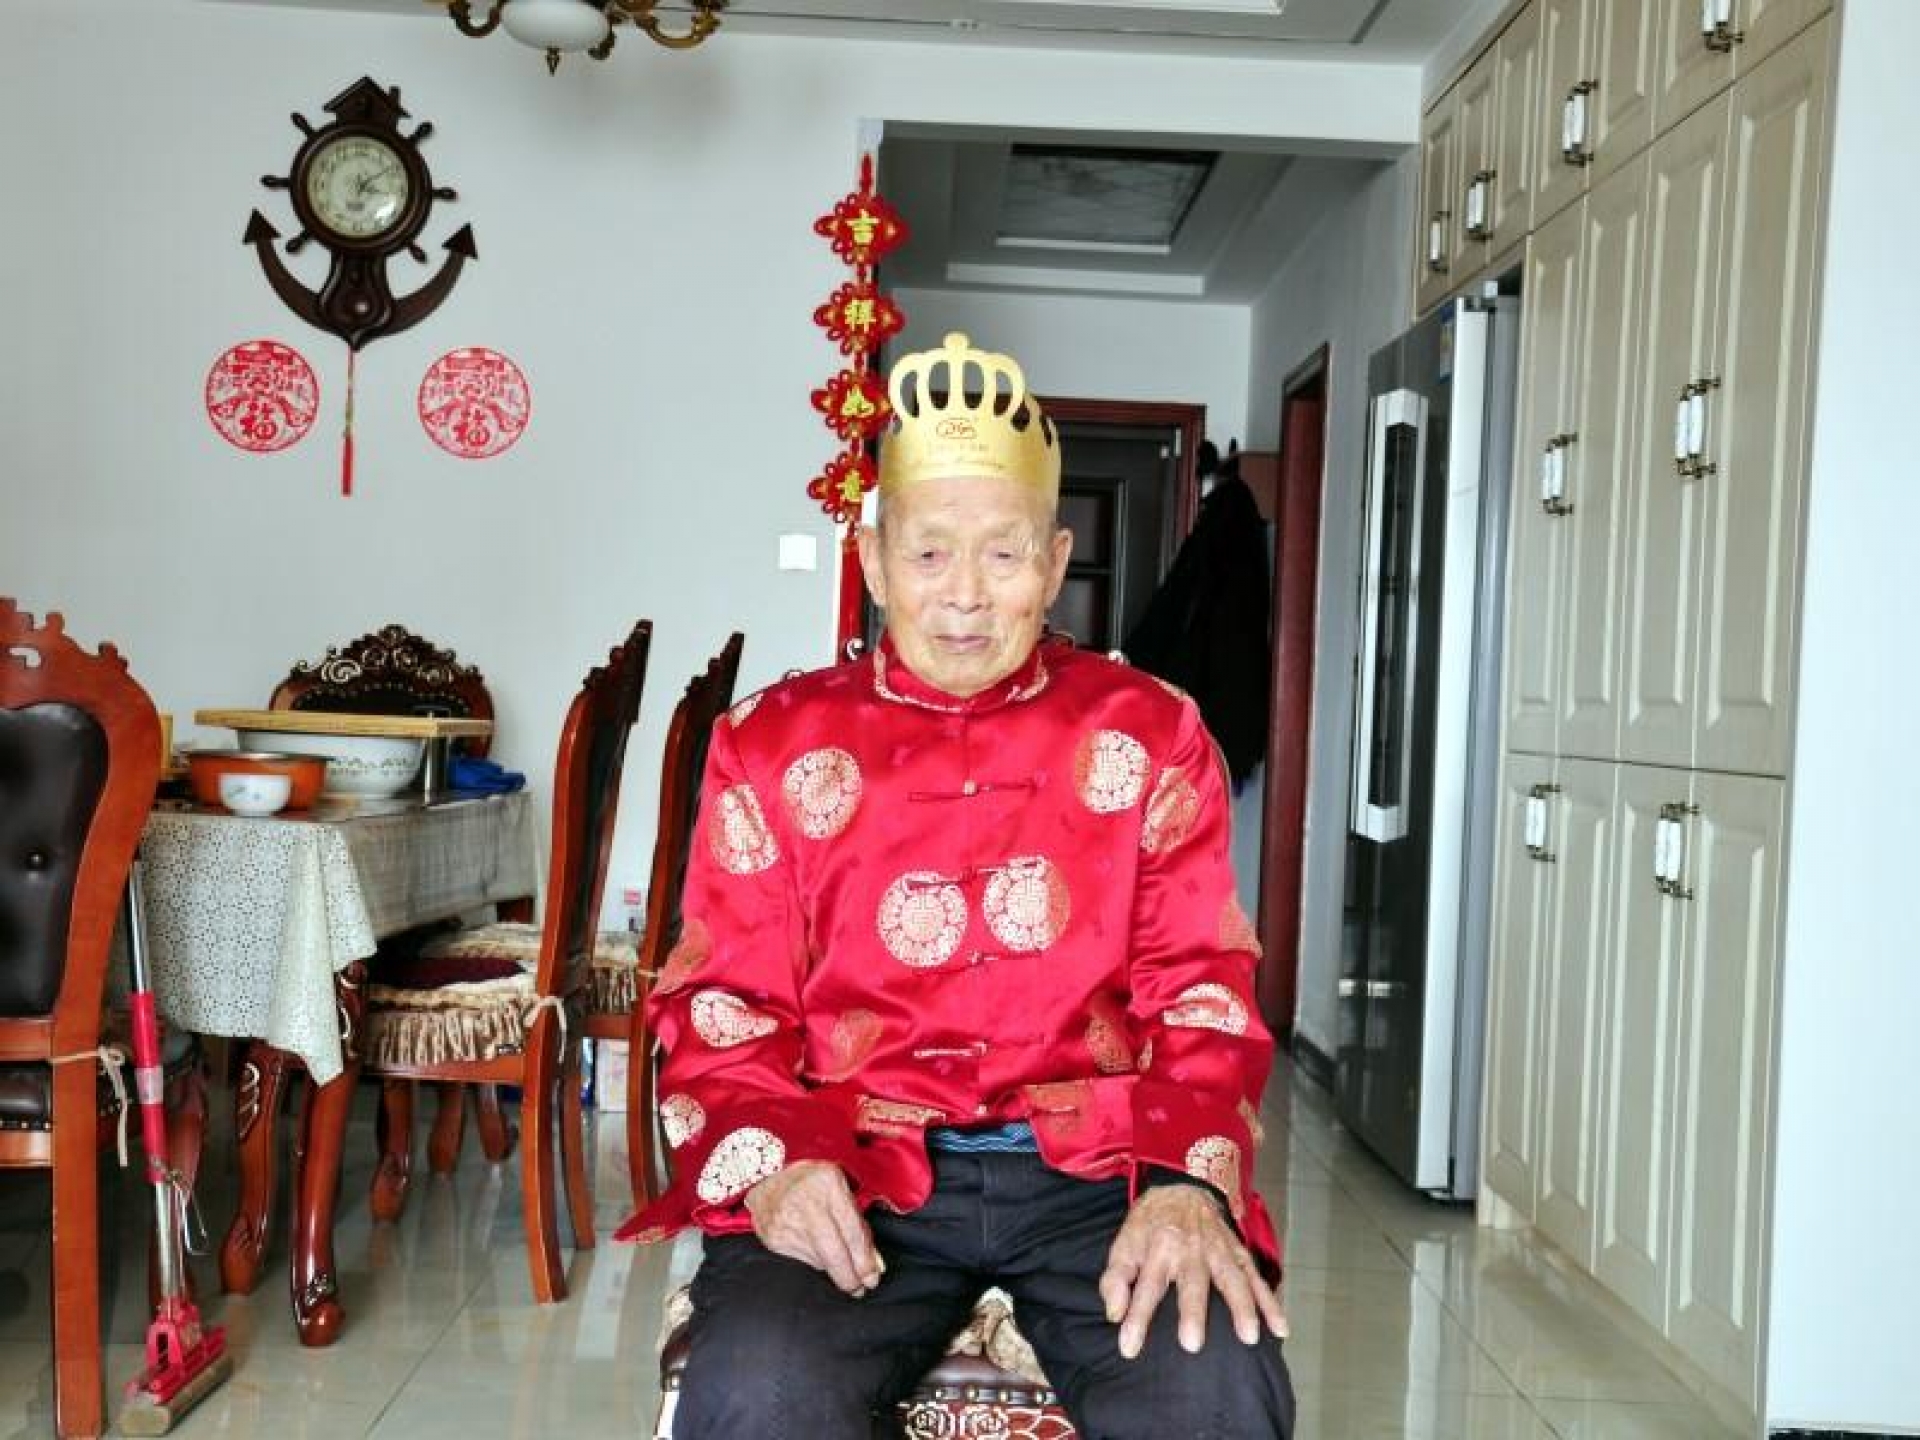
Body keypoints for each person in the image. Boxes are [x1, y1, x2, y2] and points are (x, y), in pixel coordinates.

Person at [616, 332, 1295, 1438]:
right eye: (929, 555)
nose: (966, 597)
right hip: (855, 1159)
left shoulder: (1150, 733)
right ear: (874, 562)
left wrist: (1184, 1183)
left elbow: (1202, 991)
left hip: (1101, 1169)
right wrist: (781, 1167)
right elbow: (724, 1005)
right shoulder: (773, 745)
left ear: (1056, 561)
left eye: (1004, 555)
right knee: (760, 1388)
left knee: (1212, 1386)